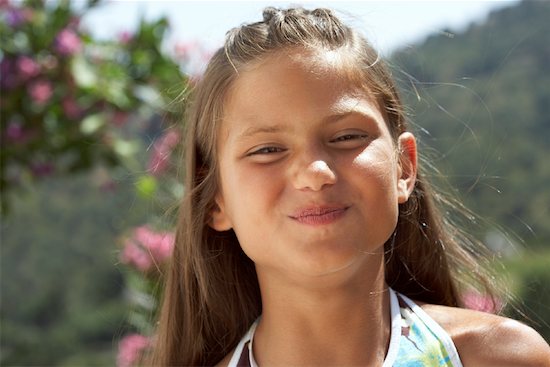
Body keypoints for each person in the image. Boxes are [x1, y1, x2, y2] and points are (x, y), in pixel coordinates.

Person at [151, 6, 550, 366]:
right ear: (215, 201)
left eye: (346, 138)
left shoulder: (503, 359)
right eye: (268, 149)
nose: (315, 173)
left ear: (403, 167)